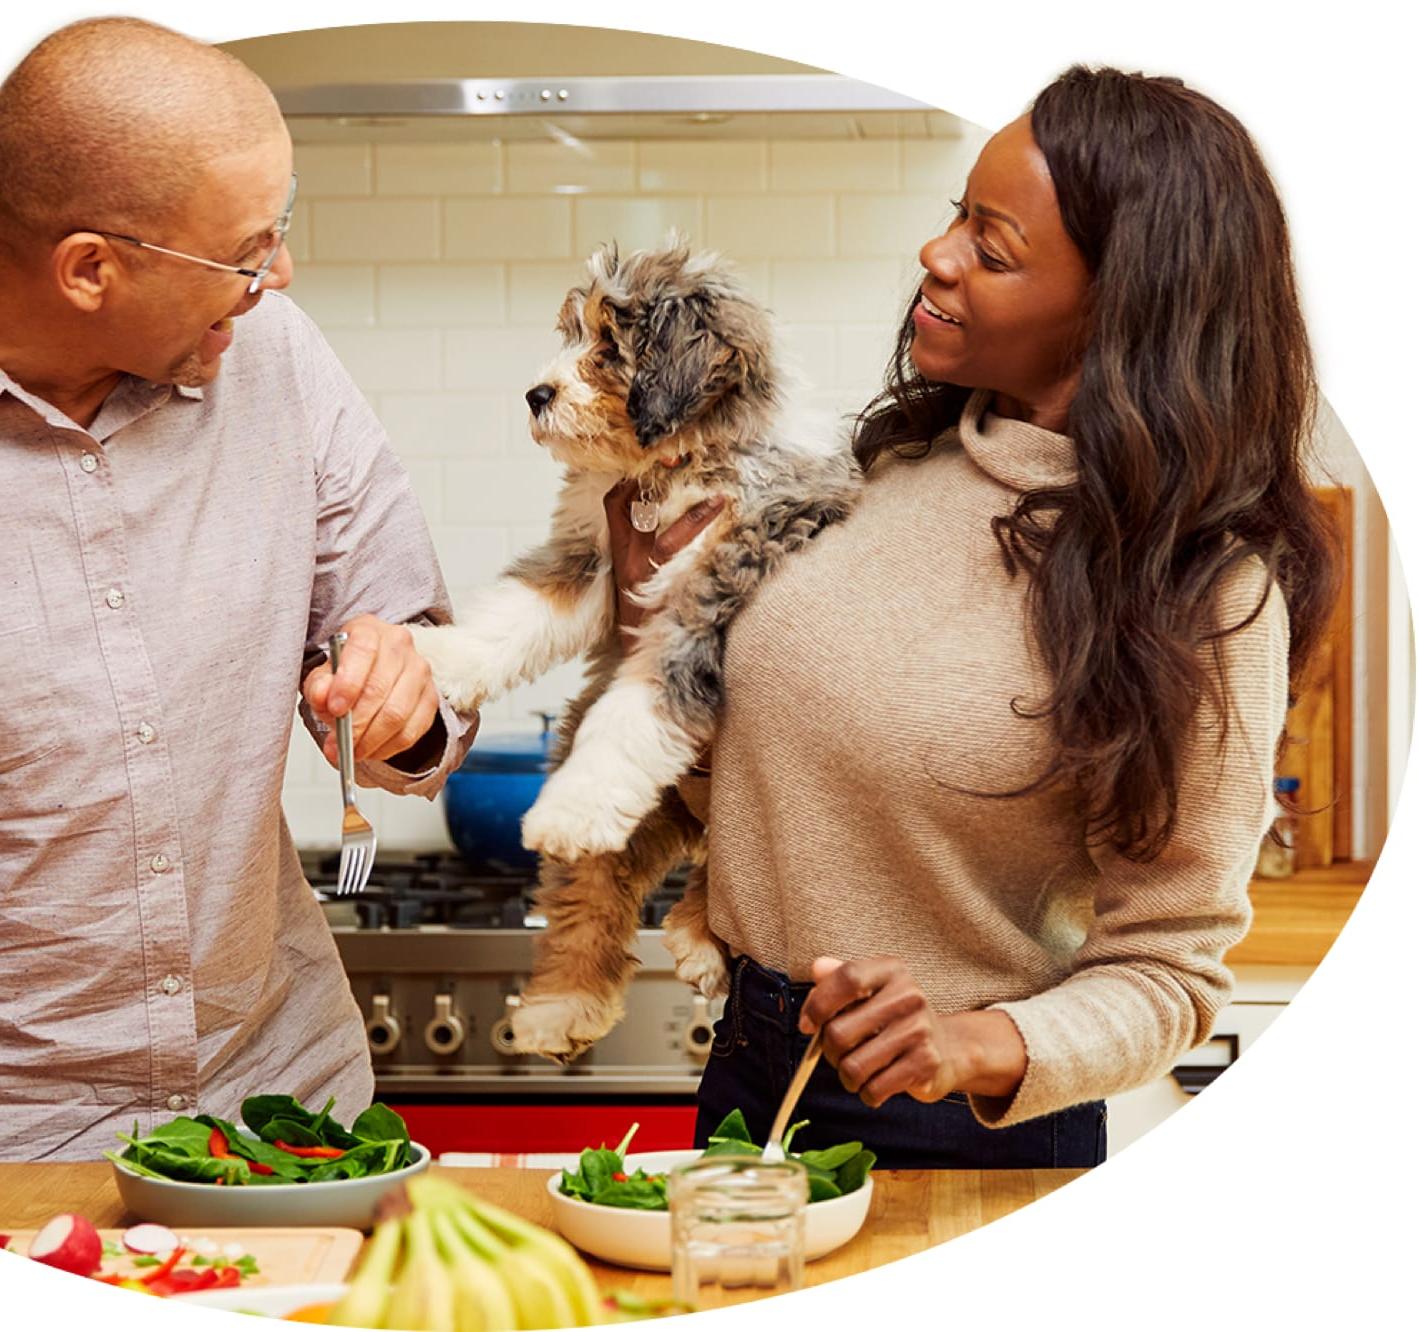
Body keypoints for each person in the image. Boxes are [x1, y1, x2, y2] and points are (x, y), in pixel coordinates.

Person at [605, 65, 1338, 1168]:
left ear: (1119, 309)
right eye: (959, 214)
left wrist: (969, 1043)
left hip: (959, 1130)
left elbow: (1171, 968)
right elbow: (758, 789)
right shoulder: (886, 474)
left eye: (992, 250)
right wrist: (651, 625)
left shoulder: (1202, 589)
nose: (936, 256)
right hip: (748, 1069)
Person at [0, 18, 477, 1160]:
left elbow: (418, 661)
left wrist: (404, 700)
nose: (281, 275)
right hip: (23, 1137)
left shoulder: (273, 355)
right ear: (89, 269)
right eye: (246, 252)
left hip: (286, 1099)